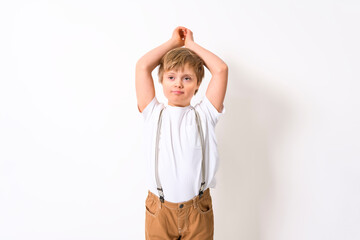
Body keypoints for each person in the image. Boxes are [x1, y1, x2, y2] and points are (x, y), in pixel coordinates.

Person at [135, 26, 228, 240]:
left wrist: (191, 46)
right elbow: (142, 67)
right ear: (161, 80)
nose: (178, 83)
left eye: (187, 78)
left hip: (198, 210)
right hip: (159, 210)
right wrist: (173, 43)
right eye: (171, 77)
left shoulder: (205, 114)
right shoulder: (152, 112)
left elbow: (221, 70)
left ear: (197, 85)